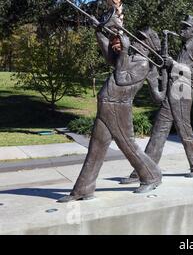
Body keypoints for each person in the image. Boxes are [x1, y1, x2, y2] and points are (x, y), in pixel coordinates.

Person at [58, 16, 163, 203]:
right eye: (137, 37)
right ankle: (84, 188)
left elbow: (122, 78)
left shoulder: (142, 63)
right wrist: (99, 32)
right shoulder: (130, 57)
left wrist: (123, 52)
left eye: (141, 38)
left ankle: (152, 175)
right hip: (107, 106)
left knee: (128, 146)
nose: (137, 40)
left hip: (118, 108)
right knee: (96, 148)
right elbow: (109, 56)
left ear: (148, 44)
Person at [121, 15, 193, 184]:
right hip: (173, 91)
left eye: (185, 27)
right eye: (182, 26)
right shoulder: (185, 47)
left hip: (183, 92)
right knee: (158, 132)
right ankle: (144, 171)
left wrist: (174, 64)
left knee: (184, 130)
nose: (181, 30)